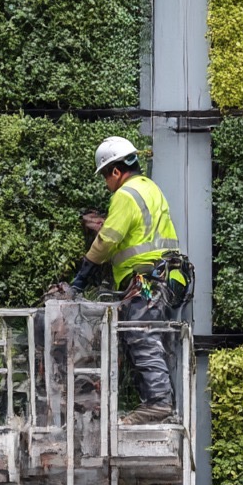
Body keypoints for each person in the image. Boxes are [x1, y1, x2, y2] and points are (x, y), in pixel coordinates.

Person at [68, 136, 189, 425]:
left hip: (148, 281)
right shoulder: (150, 189)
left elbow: (107, 242)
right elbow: (139, 233)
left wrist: (79, 282)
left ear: (116, 171)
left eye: (105, 177)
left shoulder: (124, 195)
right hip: (170, 278)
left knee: (141, 335)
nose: (106, 184)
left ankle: (159, 403)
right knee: (150, 339)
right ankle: (155, 403)